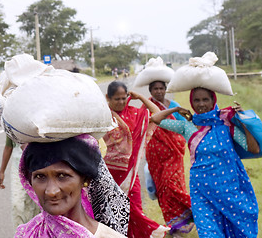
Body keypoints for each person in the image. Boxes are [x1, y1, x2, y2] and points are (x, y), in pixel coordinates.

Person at [151, 87, 259, 238]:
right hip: (201, 192)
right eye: (196, 100)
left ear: (213, 100)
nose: (201, 104)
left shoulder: (225, 124)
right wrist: (175, 109)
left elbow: (253, 148)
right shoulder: (187, 126)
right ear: (191, 102)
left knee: (238, 230)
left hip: (229, 189)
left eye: (205, 99)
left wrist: (244, 120)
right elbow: (156, 119)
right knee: (209, 233)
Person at [15, 134, 130, 237]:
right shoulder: (27, 233)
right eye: (40, 177)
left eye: (62, 176)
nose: (51, 191)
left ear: (85, 179)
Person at [103, 81, 169, 238]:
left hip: (131, 175)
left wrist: (140, 97)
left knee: (135, 210)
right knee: (113, 214)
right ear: (108, 98)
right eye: (116, 99)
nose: (120, 102)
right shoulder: (103, 116)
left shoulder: (135, 114)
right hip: (109, 176)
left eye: (123, 98)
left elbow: (156, 113)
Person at [144, 81, 194, 235]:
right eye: (155, 89)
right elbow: (143, 125)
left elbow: (184, 126)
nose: (158, 91)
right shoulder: (147, 106)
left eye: (161, 88)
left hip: (174, 152)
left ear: (165, 89)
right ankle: (174, 226)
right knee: (163, 191)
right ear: (151, 91)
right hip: (155, 154)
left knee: (173, 185)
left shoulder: (174, 105)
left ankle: (196, 210)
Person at [0, 135, 40, 229]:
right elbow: (9, 146)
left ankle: (34, 232)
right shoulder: (14, 123)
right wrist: (1, 171)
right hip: (18, 168)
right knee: (17, 205)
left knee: (36, 207)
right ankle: (20, 234)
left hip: (38, 168)